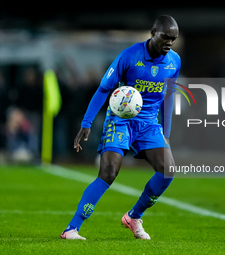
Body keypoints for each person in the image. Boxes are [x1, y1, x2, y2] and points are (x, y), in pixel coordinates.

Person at [60, 15, 180, 240]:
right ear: (153, 32)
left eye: (173, 39)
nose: (169, 43)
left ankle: (134, 217)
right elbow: (104, 89)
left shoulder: (174, 61)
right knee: (109, 172)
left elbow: (168, 97)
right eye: (166, 37)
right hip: (120, 120)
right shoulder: (129, 56)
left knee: (168, 171)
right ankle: (72, 228)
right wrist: (86, 123)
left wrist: (167, 132)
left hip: (149, 123)